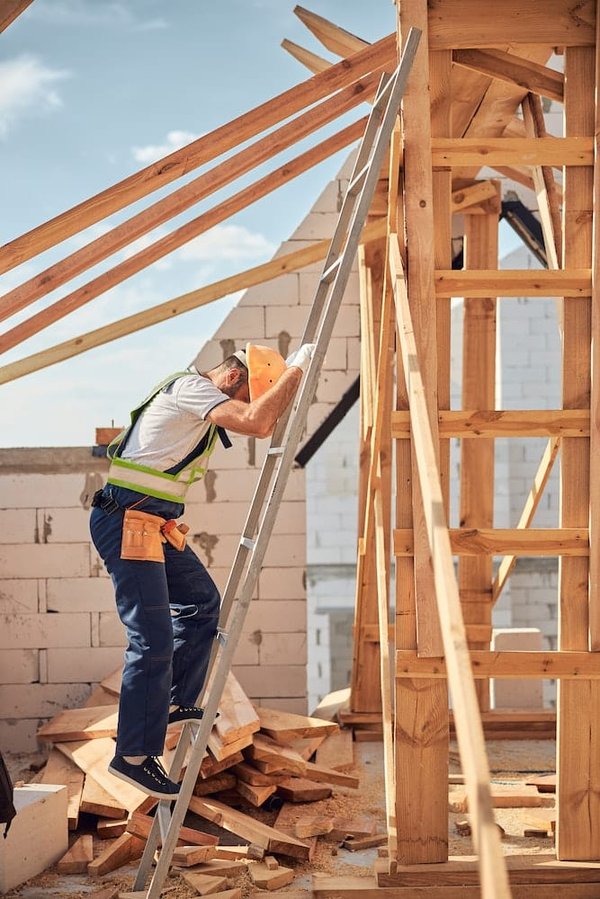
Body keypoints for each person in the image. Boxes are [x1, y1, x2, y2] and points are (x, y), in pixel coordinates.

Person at [90, 343, 315, 798]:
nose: (247, 403)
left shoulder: (198, 395)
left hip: (150, 521)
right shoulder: (190, 387)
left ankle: (172, 702)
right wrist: (297, 370)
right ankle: (132, 756)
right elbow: (256, 421)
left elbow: (260, 420)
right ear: (233, 379)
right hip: (127, 520)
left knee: (200, 604)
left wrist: (285, 381)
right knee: (149, 638)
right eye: (248, 393)